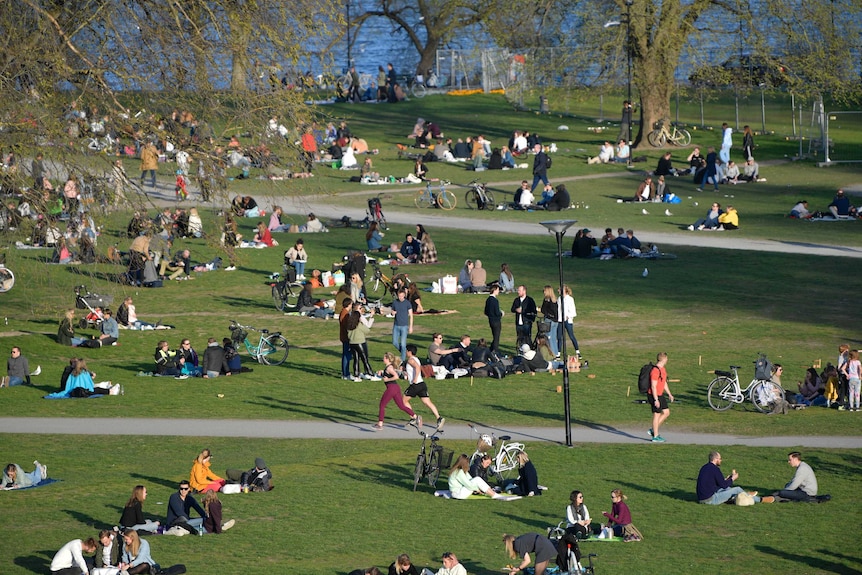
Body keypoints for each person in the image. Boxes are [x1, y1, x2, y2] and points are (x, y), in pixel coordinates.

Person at [696, 451, 773, 504]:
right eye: (719, 459)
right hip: (710, 500)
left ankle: (745, 494)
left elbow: (717, 483)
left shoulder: (704, 467)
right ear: (715, 459)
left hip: (701, 498)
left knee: (728, 489)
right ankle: (760, 499)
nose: (721, 460)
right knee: (737, 489)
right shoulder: (715, 469)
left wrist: (727, 479)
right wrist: (733, 478)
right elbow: (724, 485)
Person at [403, 344, 443, 430]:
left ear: (409, 352)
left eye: (406, 351)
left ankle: (414, 417)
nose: (405, 352)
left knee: (403, 401)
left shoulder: (410, 360)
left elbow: (417, 368)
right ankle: (439, 418)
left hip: (415, 385)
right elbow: (416, 368)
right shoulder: (416, 359)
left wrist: (414, 378)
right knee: (427, 402)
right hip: (421, 384)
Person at [374, 352, 417, 431]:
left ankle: (380, 424)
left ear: (387, 359)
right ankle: (415, 417)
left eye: (384, 358)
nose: (383, 359)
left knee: (382, 405)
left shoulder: (389, 368)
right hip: (396, 388)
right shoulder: (389, 367)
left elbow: (396, 377)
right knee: (401, 406)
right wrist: (382, 373)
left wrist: (387, 379)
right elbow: (389, 374)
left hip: (392, 388)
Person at [647, 352, 674, 442]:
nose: (667, 360)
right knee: (657, 414)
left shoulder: (663, 369)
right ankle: (655, 436)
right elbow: (653, 386)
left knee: (666, 412)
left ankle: (653, 430)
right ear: (663, 359)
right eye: (666, 359)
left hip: (660, 394)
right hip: (654, 395)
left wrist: (669, 394)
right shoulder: (655, 371)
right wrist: (656, 399)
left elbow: (664, 383)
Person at [511, 285, 537, 349]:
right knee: (519, 338)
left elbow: (533, 311)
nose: (518, 292)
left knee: (527, 338)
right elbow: (512, 309)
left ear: (524, 291)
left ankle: (529, 350)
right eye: (518, 290)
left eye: (519, 290)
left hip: (526, 322)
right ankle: (520, 350)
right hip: (518, 323)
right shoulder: (516, 300)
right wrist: (516, 310)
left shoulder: (530, 300)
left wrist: (530, 319)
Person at [391, 289, 413, 361]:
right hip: (396, 325)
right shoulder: (395, 302)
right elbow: (392, 311)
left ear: (404, 296)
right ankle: (404, 352)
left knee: (403, 344)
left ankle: (402, 360)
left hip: (404, 326)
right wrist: (392, 313)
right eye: (399, 296)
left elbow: (411, 315)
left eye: (402, 296)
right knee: (394, 342)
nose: (400, 297)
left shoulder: (407, 303)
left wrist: (411, 327)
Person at [560, 285, 581, 358]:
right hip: (560, 320)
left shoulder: (570, 299)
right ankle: (558, 353)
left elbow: (573, 311)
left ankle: (577, 351)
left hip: (568, 320)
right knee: (560, 337)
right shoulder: (559, 299)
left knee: (571, 336)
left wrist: (568, 316)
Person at [484, 284, 504, 354]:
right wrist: (501, 313)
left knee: (494, 336)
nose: (498, 291)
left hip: (490, 321)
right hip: (496, 321)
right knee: (496, 338)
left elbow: (485, 311)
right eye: (498, 290)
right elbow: (497, 312)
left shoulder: (488, 300)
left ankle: (490, 350)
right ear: (494, 290)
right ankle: (495, 351)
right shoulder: (495, 301)